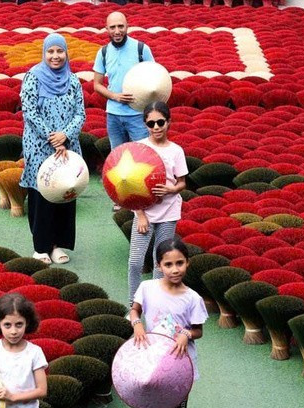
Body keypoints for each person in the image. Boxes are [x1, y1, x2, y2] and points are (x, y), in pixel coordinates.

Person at [128, 238, 208, 408]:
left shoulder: (192, 298)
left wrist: (186, 334)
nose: (175, 269)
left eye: (180, 263)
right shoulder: (147, 288)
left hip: (181, 363)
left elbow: (198, 330)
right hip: (155, 361)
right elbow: (135, 310)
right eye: (169, 264)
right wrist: (137, 323)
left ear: (187, 263)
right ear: (159, 265)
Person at [20, 33, 86, 265]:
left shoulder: (73, 80)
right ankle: (41, 247)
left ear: (66, 53)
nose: (55, 56)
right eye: (50, 51)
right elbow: (30, 112)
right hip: (39, 146)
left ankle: (57, 245)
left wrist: (65, 135)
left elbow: (80, 113)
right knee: (42, 195)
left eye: (60, 51)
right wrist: (53, 138)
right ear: (44, 53)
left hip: (68, 147)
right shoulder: (33, 77)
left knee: (64, 192)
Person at [128, 101, 188, 308]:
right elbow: (130, 185)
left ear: (168, 122)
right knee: (135, 262)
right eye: (151, 123)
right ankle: (133, 307)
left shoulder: (176, 151)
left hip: (169, 212)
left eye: (160, 122)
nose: (156, 127)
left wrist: (171, 189)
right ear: (145, 124)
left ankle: (155, 306)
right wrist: (140, 214)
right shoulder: (139, 147)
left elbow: (181, 182)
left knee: (160, 262)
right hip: (144, 214)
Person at [92, 11, 154, 153]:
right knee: (118, 156)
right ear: (106, 29)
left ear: (127, 26)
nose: (117, 31)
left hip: (137, 114)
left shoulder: (141, 49)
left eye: (121, 26)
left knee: (142, 155)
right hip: (113, 115)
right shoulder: (103, 52)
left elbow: (154, 78)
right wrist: (115, 96)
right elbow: (97, 85)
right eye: (112, 27)